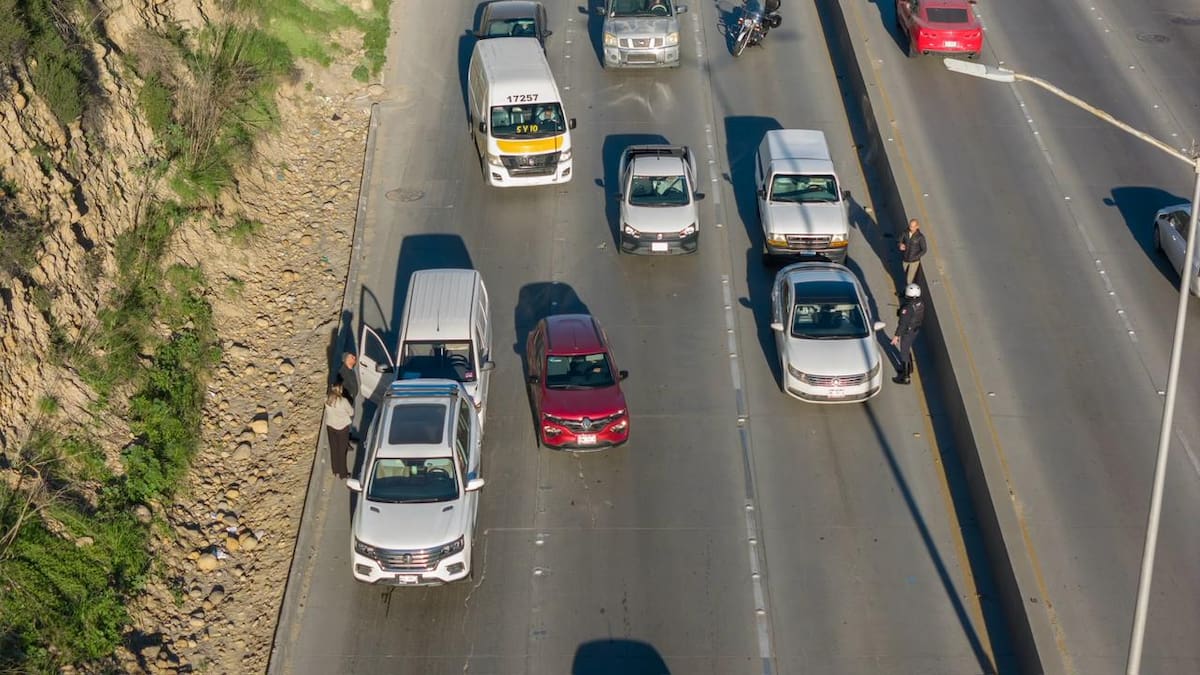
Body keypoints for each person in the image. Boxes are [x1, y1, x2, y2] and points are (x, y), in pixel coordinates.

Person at [890, 283, 925, 385]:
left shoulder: (907, 308)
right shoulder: (919, 302)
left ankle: (905, 377)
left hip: (908, 331)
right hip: (915, 329)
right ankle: (909, 368)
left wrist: (896, 336)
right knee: (907, 347)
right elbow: (909, 298)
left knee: (904, 352)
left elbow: (903, 323)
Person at [324, 382, 354, 479]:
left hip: (330, 426)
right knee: (342, 451)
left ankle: (335, 470)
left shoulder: (327, 399)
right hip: (342, 428)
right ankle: (343, 473)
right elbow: (351, 412)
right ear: (340, 390)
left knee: (334, 449)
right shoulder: (343, 401)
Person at [898, 218, 927, 285]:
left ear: (917, 226)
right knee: (903, 277)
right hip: (905, 259)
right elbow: (899, 240)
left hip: (914, 262)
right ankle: (904, 291)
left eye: (913, 227)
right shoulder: (905, 233)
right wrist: (900, 245)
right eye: (910, 226)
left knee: (909, 280)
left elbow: (924, 249)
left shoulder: (920, 237)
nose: (911, 228)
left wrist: (915, 257)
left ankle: (908, 294)